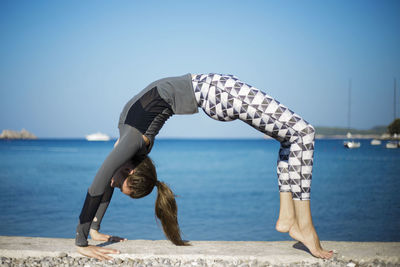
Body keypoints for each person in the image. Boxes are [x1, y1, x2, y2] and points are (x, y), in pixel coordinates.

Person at [75, 73, 333, 260]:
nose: (113, 183)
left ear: (129, 170)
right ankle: (301, 225)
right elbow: (107, 180)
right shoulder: (130, 146)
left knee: (294, 136)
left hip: (216, 91)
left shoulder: (130, 141)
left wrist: (83, 238)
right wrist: (95, 228)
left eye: (120, 184)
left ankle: (290, 218)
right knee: (303, 133)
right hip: (216, 92)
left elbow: (99, 182)